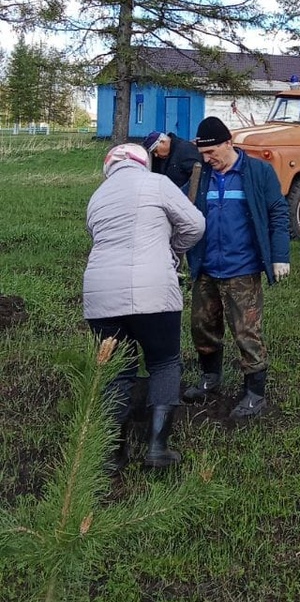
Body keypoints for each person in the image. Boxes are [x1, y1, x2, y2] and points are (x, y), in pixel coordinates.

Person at [83, 142, 206, 470]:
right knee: (164, 362)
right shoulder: (158, 183)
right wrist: (172, 251)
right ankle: (157, 449)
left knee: (117, 370)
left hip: (100, 296)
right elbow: (195, 225)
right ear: (143, 163)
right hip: (153, 292)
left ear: (109, 167)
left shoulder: (97, 198)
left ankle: (113, 454)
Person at [184, 116, 290, 418]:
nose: (207, 159)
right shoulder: (199, 175)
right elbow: (176, 204)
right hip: (206, 268)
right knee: (202, 327)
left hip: (242, 270)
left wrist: (280, 255)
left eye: (212, 152)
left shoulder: (258, 172)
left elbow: (278, 213)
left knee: (246, 332)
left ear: (229, 142)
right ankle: (210, 380)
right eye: (203, 154)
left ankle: (255, 394)